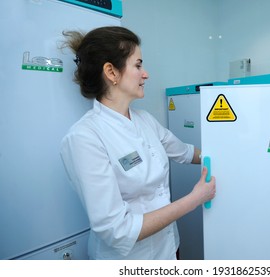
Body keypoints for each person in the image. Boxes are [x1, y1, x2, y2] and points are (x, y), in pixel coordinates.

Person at [60, 26, 216, 260]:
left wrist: (227, 154)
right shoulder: (84, 138)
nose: (146, 74)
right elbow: (117, 231)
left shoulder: (145, 121)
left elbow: (184, 152)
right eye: (138, 65)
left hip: (168, 246)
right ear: (111, 72)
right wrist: (195, 199)